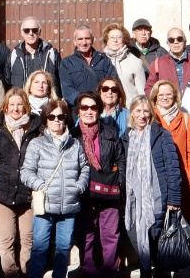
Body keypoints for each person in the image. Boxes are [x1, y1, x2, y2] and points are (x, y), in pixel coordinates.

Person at [20, 100, 90, 278]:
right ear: (46, 119)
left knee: (63, 249)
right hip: (45, 205)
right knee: (40, 248)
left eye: (61, 116)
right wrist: (40, 185)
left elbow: (85, 168)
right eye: (52, 116)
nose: (56, 120)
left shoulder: (75, 144)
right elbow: (26, 172)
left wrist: (79, 186)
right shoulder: (37, 144)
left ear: (66, 119)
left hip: (69, 204)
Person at [0, 88, 43, 277]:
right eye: (12, 105)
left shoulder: (36, 128)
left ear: (26, 106)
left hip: (28, 194)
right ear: (5, 107)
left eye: (19, 104)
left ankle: (26, 273)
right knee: (6, 239)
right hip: (2, 193)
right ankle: (11, 273)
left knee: (27, 239)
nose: (16, 109)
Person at [122, 95, 182, 277]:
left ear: (151, 114)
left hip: (156, 201)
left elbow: (173, 168)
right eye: (138, 111)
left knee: (158, 252)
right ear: (131, 113)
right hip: (133, 206)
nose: (142, 115)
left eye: (146, 111)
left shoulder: (162, 135)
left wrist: (173, 199)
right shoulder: (126, 138)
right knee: (138, 241)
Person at [73, 92, 125, 278]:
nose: (89, 111)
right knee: (87, 235)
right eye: (84, 107)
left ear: (99, 110)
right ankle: (88, 271)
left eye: (93, 107)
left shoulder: (110, 133)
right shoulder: (72, 136)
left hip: (109, 191)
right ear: (78, 111)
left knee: (111, 235)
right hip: (85, 194)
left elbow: (121, 159)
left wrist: (119, 184)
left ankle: (109, 272)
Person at [149, 80, 190, 234]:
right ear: (155, 97)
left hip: (181, 178)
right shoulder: (150, 116)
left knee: (181, 227)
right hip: (157, 178)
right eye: (161, 94)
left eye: (168, 94)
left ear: (175, 96)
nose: (165, 97)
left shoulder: (185, 117)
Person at [60, 24, 118, 106]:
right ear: (75, 42)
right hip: (79, 110)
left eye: (87, 39)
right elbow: (67, 90)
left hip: (102, 108)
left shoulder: (104, 60)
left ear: (93, 40)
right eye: (80, 39)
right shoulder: (67, 63)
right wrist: (85, 102)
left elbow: (112, 84)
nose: (84, 43)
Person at [6, 17, 62, 97]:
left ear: (39, 32)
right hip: (22, 105)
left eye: (34, 30)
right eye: (27, 30)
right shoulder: (14, 55)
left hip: (47, 105)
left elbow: (61, 81)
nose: (31, 33)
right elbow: (7, 83)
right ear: (22, 33)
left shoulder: (51, 54)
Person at [145, 28, 190, 97]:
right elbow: (149, 88)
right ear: (168, 43)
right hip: (168, 106)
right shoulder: (158, 63)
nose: (176, 42)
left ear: (185, 42)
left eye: (179, 39)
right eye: (171, 40)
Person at [101, 23, 147, 102]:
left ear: (124, 40)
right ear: (107, 41)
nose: (115, 40)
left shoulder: (135, 62)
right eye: (112, 37)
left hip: (129, 108)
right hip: (106, 110)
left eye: (119, 37)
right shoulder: (100, 61)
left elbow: (142, 91)